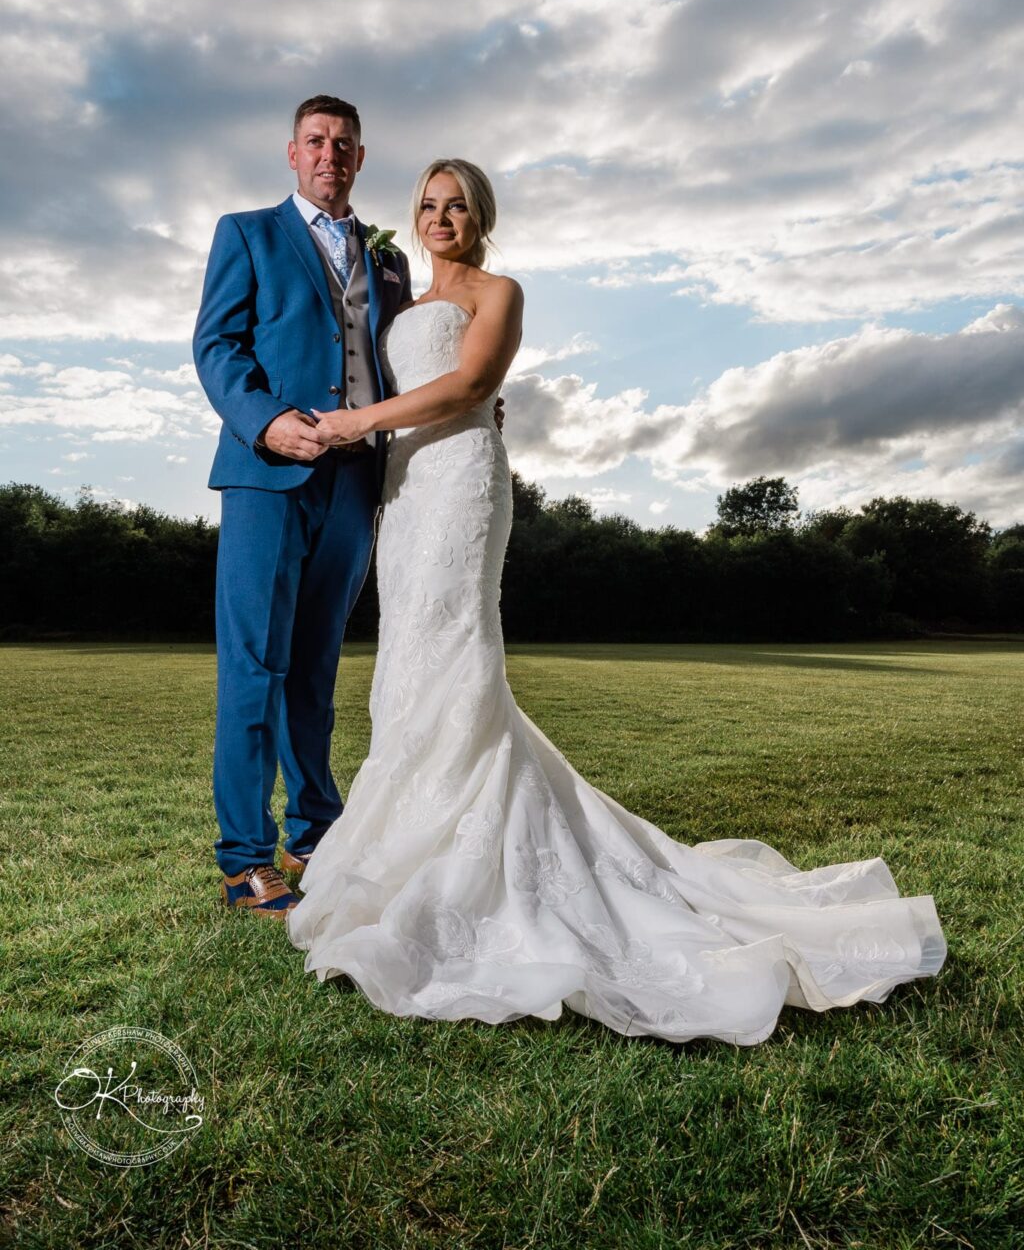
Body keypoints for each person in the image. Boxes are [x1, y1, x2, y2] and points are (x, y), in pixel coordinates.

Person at [285, 158, 947, 1044]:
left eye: (459, 206)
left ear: (481, 217)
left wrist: (361, 424)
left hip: (462, 485)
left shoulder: (499, 291)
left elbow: (475, 385)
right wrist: (363, 429)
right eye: (429, 205)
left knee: (457, 652)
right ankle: (405, 841)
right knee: (408, 653)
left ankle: (479, 853)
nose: (442, 217)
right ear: (414, 216)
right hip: (404, 491)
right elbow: (391, 382)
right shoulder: (398, 304)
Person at [194, 96, 461, 918]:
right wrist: (268, 422)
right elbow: (216, 345)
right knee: (254, 669)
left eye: (343, 143)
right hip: (266, 480)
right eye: (316, 140)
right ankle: (245, 858)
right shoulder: (247, 233)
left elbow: (399, 360)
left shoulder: (385, 259)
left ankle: (318, 831)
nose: (329, 154)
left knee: (314, 671)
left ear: (360, 157)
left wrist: (467, 399)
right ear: (292, 151)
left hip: (353, 485)